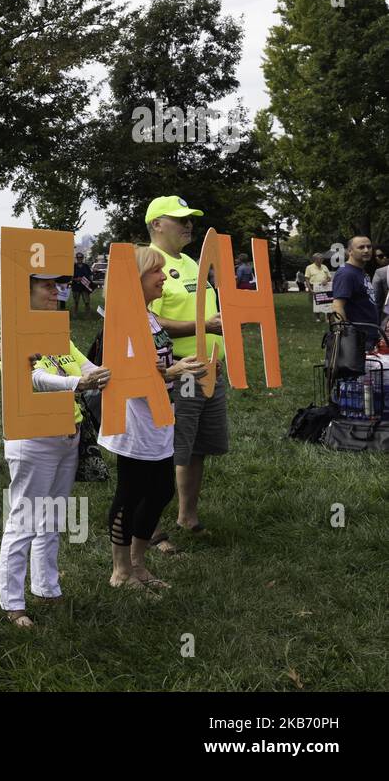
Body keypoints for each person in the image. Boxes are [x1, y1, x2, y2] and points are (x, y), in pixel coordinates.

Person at [0, 274, 110, 626]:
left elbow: (88, 366)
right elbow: (32, 378)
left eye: (56, 285)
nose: (55, 291)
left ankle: (47, 588)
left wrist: (113, 371)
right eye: (45, 286)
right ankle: (12, 602)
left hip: (67, 435)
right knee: (24, 518)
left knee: (52, 517)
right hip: (33, 438)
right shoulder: (13, 337)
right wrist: (77, 383)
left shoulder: (57, 334)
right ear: (24, 294)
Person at [98, 246, 206, 591]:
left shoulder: (147, 314)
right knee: (130, 493)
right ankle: (120, 571)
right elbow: (124, 374)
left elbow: (155, 365)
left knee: (160, 490)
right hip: (134, 422)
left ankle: (138, 563)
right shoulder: (123, 318)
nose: (164, 277)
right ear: (134, 280)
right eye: (156, 272)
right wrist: (172, 372)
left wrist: (176, 372)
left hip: (159, 416)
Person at [145, 196, 226, 543]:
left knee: (198, 447)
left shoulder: (192, 263)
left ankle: (186, 515)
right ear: (156, 225)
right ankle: (150, 526)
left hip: (210, 369)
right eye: (179, 219)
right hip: (178, 371)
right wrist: (203, 326)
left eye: (190, 218)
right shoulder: (148, 263)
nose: (188, 224)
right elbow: (147, 319)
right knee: (167, 449)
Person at [331, 235, 378, 350]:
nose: (366, 250)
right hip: (357, 340)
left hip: (369, 335)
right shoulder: (346, 273)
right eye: (361, 247)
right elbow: (337, 306)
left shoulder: (360, 272)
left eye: (369, 246)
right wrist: (347, 336)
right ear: (350, 251)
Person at [305, 253, 333, 324]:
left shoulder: (324, 267)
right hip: (314, 287)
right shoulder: (309, 267)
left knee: (327, 303)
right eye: (320, 258)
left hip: (325, 287)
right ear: (315, 259)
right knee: (316, 303)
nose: (322, 260)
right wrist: (310, 289)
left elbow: (329, 277)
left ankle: (328, 318)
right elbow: (307, 279)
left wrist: (326, 280)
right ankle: (318, 318)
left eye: (322, 258)